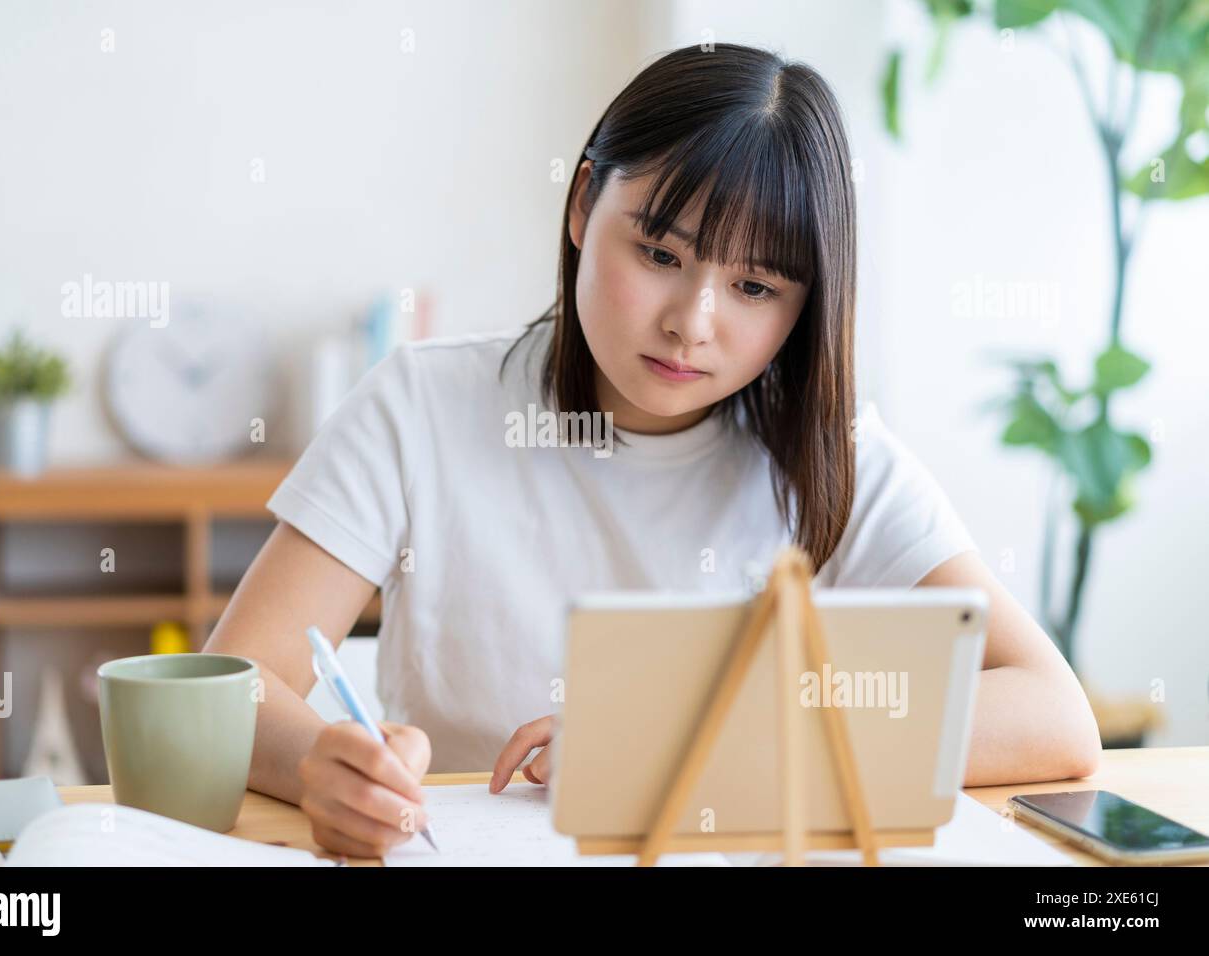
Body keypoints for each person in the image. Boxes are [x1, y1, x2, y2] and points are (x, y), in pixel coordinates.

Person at [205, 43, 1101, 859]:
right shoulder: (420, 407)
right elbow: (230, 686)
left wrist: (683, 742)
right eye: (661, 253)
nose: (692, 323)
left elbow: (1054, 719)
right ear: (583, 202)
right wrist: (324, 760)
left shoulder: (831, 451)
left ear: (805, 305)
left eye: (754, 285)